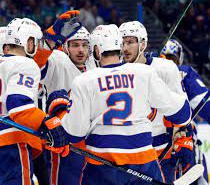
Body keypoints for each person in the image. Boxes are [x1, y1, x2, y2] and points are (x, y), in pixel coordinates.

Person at [46, 24, 191, 185]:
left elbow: (74, 134)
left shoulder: (84, 81)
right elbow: (182, 113)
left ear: (97, 50)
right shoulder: (144, 73)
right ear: (120, 47)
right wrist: (182, 129)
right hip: (143, 162)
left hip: (102, 165)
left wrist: (60, 110)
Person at [0, 10, 81, 184]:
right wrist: (50, 124)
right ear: (29, 42)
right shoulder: (26, 64)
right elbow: (19, 108)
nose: (37, 47)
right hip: (10, 146)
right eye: (36, 42)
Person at [119, 21, 193, 183]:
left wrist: (183, 136)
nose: (125, 48)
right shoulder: (114, 72)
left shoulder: (165, 68)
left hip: (161, 149)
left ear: (143, 44)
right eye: (122, 42)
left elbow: (180, 108)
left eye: (130, 42)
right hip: (126, 151)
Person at [33, 26, 96, 185]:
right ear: (66, 47)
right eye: (75, 45)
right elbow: (35, 67)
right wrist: (49, 42)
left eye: (84, 45)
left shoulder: (94, 65)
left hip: (90, 143)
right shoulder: (57, 60)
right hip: (61, 140)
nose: (80, 50)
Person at [161, 39, 209, 184]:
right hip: (181, 139)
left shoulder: (147, 73)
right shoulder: (184, 72)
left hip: (149, 145)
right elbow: (204, 105)